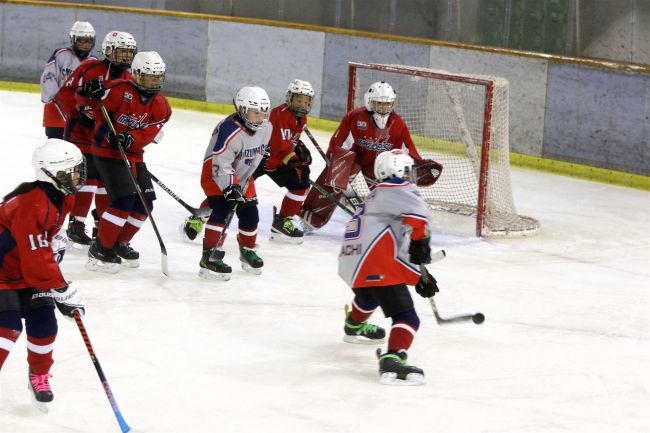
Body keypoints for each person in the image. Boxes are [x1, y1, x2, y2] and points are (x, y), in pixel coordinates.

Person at [337, 149, 439, 386]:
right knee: (407, 317)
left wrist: (418, 277)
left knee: (371, 294)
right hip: (374, 262)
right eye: (408, 170)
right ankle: (393, 358)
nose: (411, 176)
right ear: (400, 170)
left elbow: (389, 245)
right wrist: (421, 245)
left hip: (350, 263)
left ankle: (354, 323)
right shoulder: (400, 190)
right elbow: (419, 221)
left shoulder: (375, 196)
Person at [0, 139, 86, 410]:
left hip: (25, 271)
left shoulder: (63, 196)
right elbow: (35, 256)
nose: (78, 176)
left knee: (45, 325)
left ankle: (38, 375)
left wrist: (57, 240)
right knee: (7, 329)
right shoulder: (32, 204)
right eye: (72, 171)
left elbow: (46, 239)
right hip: (3, 273)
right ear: (53, 173)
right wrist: (61, 288)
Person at [181, 79, 314, 244]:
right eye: (298, 100)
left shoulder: (302, 119)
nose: (302, 104)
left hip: (275, 162)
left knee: (301, 185)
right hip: (256, 159)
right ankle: (198, 217)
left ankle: (282, 221)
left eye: (305, 101)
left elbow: (288, 140)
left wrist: (298, 148)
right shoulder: (279, 116)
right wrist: (293, 158)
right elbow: (277, 144)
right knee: (227, 194)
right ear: (290, 98)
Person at [299, 81, 442, 231]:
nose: (383, 108)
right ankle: (308, 219)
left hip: (378, 163)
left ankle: (398, 222)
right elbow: (339, 145)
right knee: (331, 183)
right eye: (379, 103)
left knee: (392, 189)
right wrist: (337, 171)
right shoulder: (356, 118)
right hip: (352, 158)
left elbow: (407, 152)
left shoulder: (397, 124)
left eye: (387, 104)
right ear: (369, 102)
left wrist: (416, 168)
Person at [85, 51, 171, 273]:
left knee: (145, 204)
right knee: (123, 200)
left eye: (158, 77)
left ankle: (118, 243)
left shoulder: (161, 104)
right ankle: (101, 248)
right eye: (150, 76)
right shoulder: (118, 90)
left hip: (134, 155)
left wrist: (131, 139)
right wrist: (88, 92)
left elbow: (151, 132)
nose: (155, 81)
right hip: (106, 153)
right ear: (137, 75)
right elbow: (86, 100)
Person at [54, 30, 137, 248]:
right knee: (86, 178)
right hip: (80, 135)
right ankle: (76, 223)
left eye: (129, 53)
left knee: (105, 183)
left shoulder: (130, 79)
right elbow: (65, 94)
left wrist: (121, 133)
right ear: (109, 51)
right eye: (122, 52)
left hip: (106, 140)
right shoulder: (89, 68)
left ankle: (100, 224)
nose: (126, 57)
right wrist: (80, 112)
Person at [198, 86, 272, 281]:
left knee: (250, 213)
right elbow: (221, 163)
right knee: (223, 211)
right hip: (215, 173)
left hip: (244, 175)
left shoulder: (266, 127)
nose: (260, 117)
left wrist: (264, 157)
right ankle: (209, 256)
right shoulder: (230, 130)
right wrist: (230, 186)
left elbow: (260, 148)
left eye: (264, 113)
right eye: (256, 113)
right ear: (242, 110)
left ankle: (247, 250)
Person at [40, 21, 96, 139]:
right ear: (73, 39)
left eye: (89, 40)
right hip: (55, 113)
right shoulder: (61, 55)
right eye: (81, 40)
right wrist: (55, 98)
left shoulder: (94, 63)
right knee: (54, 148)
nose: (85, 44)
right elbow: (48, 77)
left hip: (80, 116)